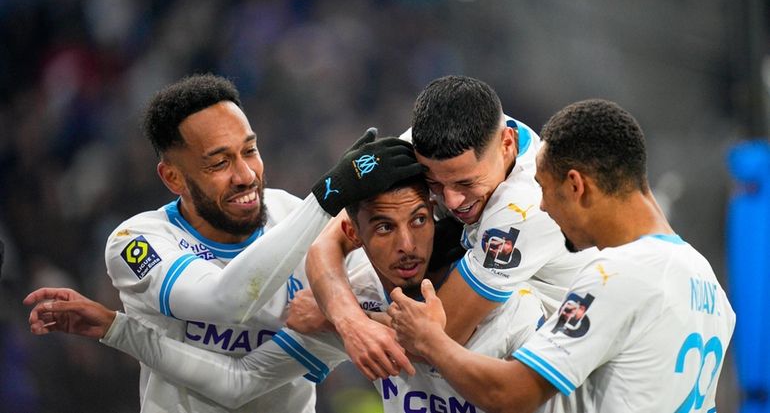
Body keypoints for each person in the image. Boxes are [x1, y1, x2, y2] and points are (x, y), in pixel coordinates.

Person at [24, 73, 423, 413]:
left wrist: (342, 315)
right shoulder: (138, 242)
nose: (246, 174)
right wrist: (329, 195)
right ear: (173, 178)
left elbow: (378, 314)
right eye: (219, 163)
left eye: (250, 150)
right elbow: (226, 302)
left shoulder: (303, 223)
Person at [26, 173, 548, 413]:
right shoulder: (359, 303)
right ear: (354, 234)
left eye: (418, 221)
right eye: (383, 228)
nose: (407, 244)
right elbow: (238, 383)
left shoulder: (513, 307)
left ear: (439, 218)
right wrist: (117, 328)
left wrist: (346, 323)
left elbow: (515, 396)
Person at [386, 99, 736, 412]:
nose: (541, 205)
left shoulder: (615, 275)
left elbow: (511, 395)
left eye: (543, 187)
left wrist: (430, 341)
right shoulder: (708, 284)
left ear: (575, 185)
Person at [304, 75, 595, 380]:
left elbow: (436, 338)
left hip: (562, 347)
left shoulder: (525, 206)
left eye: (466, 183)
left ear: (506, 144)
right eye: (434, 183)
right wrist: (347, 318)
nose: (453, 201)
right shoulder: (434, 139)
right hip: (476, 297)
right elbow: (326, 244)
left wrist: (332, 316)